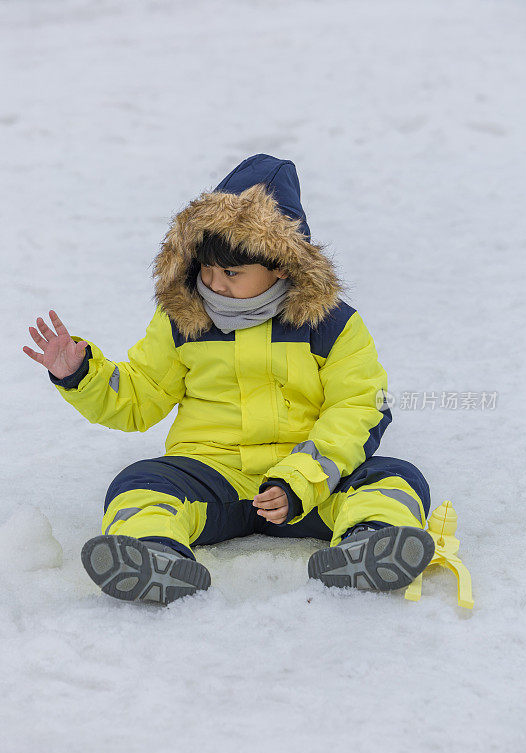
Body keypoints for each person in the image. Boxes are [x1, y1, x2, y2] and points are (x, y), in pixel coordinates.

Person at [23, 153, 434, 606]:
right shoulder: (182, 320)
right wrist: (82, 375)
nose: (215, 284)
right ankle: (151, 552)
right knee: (139, 482)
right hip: (213, 474)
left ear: (280, 265)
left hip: (310, 480)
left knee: (394, 478)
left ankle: (370, 542)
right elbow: (141, 394)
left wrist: (302, 479)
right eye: (207, 269)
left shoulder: (330, 325)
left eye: (233, 273)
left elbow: (357, 406)